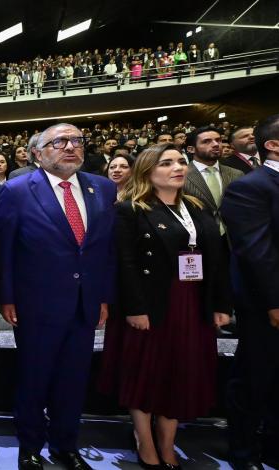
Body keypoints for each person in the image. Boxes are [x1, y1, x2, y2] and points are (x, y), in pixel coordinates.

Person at [99, 143, 231, 468]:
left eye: (181, 162)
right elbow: (125, 263)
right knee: (145, 372)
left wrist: (219, 303)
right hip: (152, 304)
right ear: (148, 171)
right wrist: (134, 307)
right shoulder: (130, 209)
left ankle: (167, 441)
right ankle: (144, 440)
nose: (178, 167)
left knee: (181, 373)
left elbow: (217, 260)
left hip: (192, 302)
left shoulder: (197, 207)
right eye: (167, 163)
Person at [0, 123, 117, 470]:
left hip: (85, 303)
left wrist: (104, 297)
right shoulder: (18, 190)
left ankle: (66, 444)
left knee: (74, 379)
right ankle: (30, 446)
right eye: (59, 142)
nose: (70, 147)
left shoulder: (103, 188)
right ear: (37, 153)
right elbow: (4, 250)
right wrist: (7, 296)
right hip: (35, 303)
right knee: (34, 377)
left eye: (76, 140)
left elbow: (106, 250)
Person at [221, 114, 279, 469]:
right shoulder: (251, 186)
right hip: (267, 305)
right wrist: (275, 301)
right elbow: (257, 252)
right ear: (272, 145)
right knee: (256, 380)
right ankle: (244, 453)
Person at [183, 126, 243, 236]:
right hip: (198, 237)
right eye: (206, 141)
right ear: (191, 149)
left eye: (218, 140)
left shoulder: (236, 174)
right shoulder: (181, 176)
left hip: (234, 237)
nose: (216, 144)